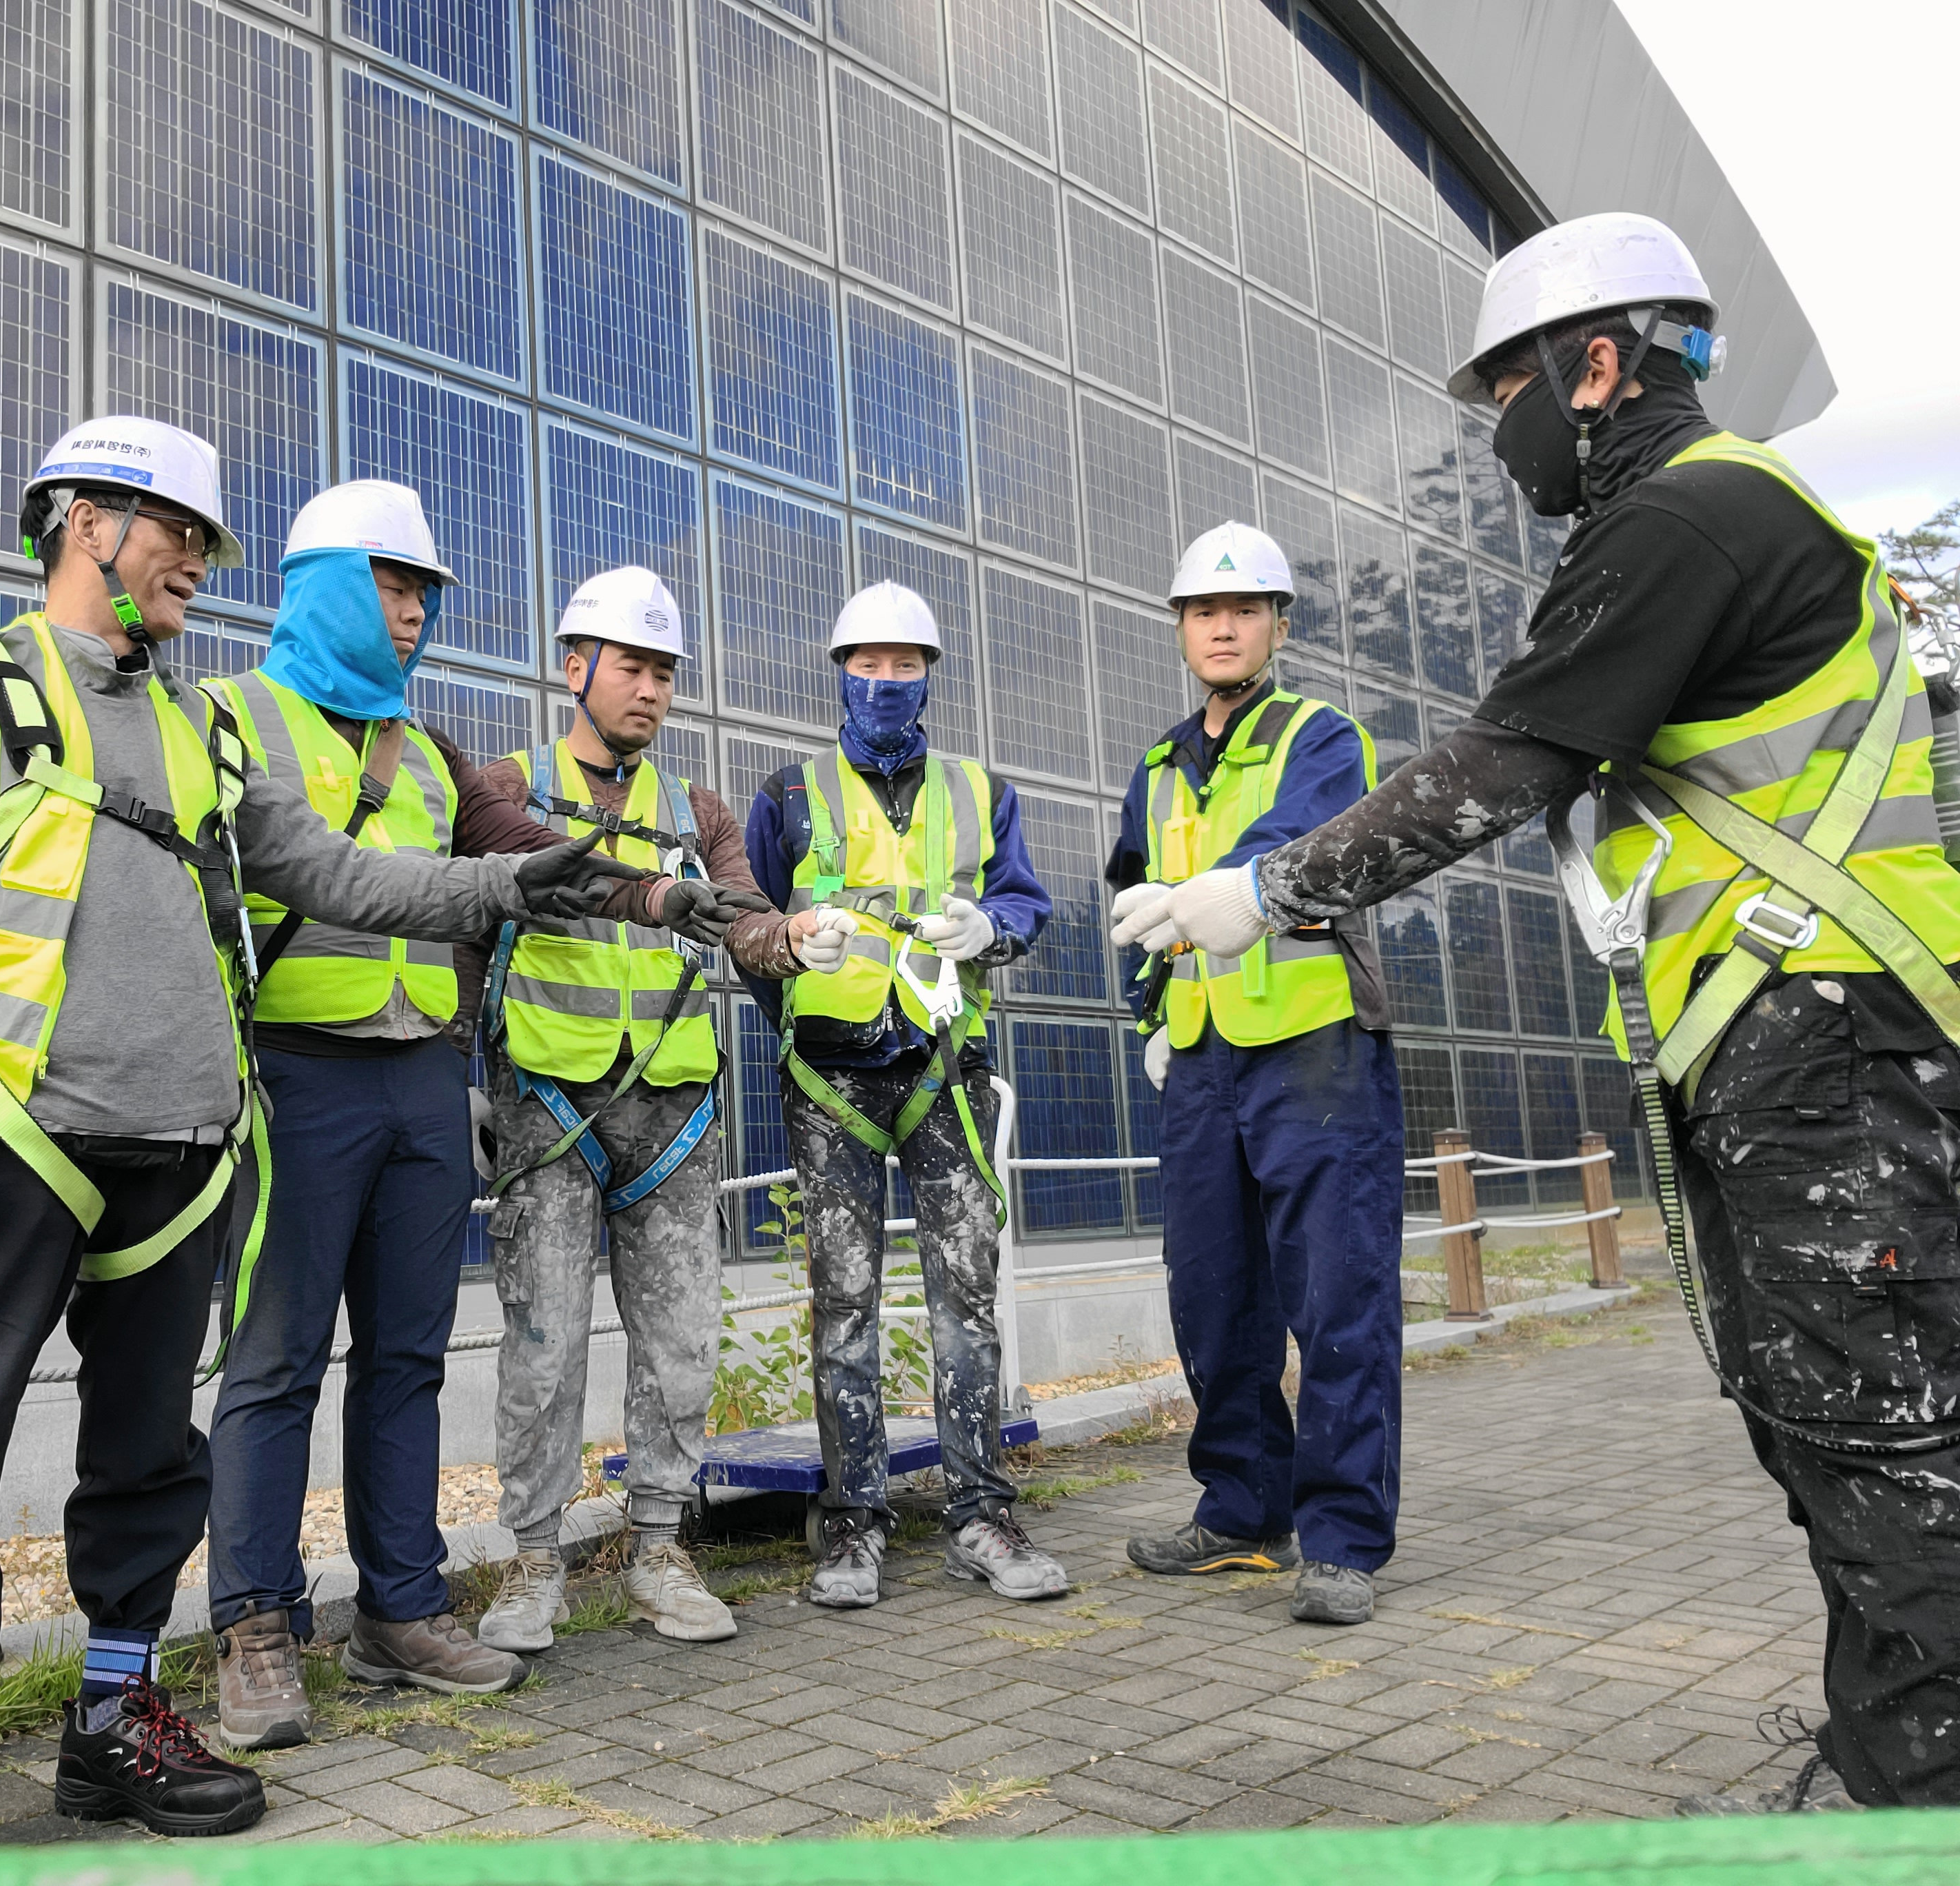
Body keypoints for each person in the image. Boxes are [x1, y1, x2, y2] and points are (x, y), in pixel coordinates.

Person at [1112, 212, 1960, 1812]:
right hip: (1794, 1031)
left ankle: (1926, 1793)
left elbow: (1506, 761)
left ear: (1596, 365)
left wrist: (1273, 892)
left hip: (1828, 1036)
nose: (1495, 430)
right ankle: (1889, 1758)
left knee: (1881, 1432)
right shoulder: (1704, 517)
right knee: (1829, 1419)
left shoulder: (1693, 516)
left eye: (1503, 386)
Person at [0, 419, 637, 1847]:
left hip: (182, 1150)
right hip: (15, 1138)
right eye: (176, 536)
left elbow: (328, 873)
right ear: (86, 523)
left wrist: (499, 894)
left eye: (204, 543)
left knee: (149, 1455)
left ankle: (116, 1720)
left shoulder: (203, 726)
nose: (199, 565)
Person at [198, 495, 731, 1743]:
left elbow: (546, 857)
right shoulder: (228, 719)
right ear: (324, 582)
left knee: (408, 1359)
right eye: (391, 586)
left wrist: (662, 896)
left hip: (427, 1084)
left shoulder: (431, 754)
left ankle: (400, 1606)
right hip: (294, 1073)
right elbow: (312, 874)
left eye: (424, 593)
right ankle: (256, 1626)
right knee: (274, 1360)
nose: (414, 612)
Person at [460, 567, 797, 1656]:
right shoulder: (506, 785)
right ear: (576, 667)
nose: (650, 690)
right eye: (633, 666)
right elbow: (468, 924)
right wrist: (464, 1074)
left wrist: (790, 939)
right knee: (545, 1346)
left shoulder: (697, 812)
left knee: (681, 1341)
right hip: (546, 1108)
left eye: (664, 672)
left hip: (672, 1116)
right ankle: (533, 1564)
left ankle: (660, 1546)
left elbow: (743, 920)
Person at [742, 582, 1068, 1609]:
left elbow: (1025, 898)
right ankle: (852, 1525)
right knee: (845, 1302)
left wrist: (994, 931)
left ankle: (979, 1513)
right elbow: (751, 927)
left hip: (945, 1074)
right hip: (831, 1081)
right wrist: (796, 979)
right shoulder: (788, 795)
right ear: (839, 672)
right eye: (867, 665)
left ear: (931, 673)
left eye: (905, 665)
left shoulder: (982, 790)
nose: (885, 682)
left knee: (965, 1295)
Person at [1105, 523, 1403, 1628]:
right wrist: (1147, 1011)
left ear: (1279, 623)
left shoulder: (1323, 737)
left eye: (1244, 609)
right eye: (1202, 611)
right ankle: (1242, 1508)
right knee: (1215, 1298)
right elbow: (1134, 899)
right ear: (1182, 629)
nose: (1222, 626)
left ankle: (1342, 1538)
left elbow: (1300, 840)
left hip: (1315, 1047)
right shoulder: (1154, 765)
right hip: (1200, 1058)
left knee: (1337, 1298)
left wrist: (1201, 901)